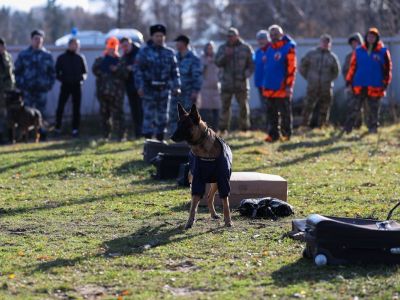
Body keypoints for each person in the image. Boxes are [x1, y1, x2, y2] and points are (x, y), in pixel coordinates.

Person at [135, 24, 181, 141]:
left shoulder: (170, 53)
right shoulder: (144, 52)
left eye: (161, 36)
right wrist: (140, 87)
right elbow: (138, 70)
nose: (159, 38)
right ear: (152, 37)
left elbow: (175, 71)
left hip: (164, 90)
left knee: (163, 118)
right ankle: (148, 143)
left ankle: (160, 142)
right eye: (157, 36)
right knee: (148, 117)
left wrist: (177, 86)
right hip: (149, 90)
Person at [344, 27, 392, 134]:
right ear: (366, 37)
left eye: (373, 37)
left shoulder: (383, 52)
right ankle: (348, 129)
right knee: (354, 108)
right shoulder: (358, 51)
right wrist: (349, 81)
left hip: (375, 86)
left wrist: (386, 83)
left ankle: (373, 128)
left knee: (373, 110)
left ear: (377, 38)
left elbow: (388, 69)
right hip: (359, 85)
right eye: (369, 36)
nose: (371, 38)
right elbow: (352, 67)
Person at [14, 29, 55, 139]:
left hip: (41, 90)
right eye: (36, 39)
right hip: (27, 91)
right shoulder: (23, 55)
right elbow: (16, 72)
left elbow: (52, 73)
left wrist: (48, 85)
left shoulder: (47, 55)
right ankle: (26, 136)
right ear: (31, 40)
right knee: (26, 114)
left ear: (43, 40)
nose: (38, 41)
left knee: (42, 114)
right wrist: (22, 84)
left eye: (40, 39)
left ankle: (42, 135)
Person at [215, 27, 254, 133]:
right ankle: (223, 129)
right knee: (225, 107)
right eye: (228, 36)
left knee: (243, 107)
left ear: (237, 36)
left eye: (232, 36)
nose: (230, 38)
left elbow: (252, 63)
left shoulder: (246, 48)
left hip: (241, 83)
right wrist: (225, 55)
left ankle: (244, 129)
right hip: (226, 83)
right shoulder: (222, 48)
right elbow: (217, 62)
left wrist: (248, 73)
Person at [263, 25, 296, 142]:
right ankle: (273, 135)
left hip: (282, 88)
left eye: (276, 34)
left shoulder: (289, 48)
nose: (273, 37)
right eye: (271, 35)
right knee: (271, 114)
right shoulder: (268, 48)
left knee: (285, 113)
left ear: (281, 35)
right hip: (269, 88)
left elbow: (291, 69)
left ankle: (286, 135)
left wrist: (289, 86)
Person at [300, 34, 340, 128]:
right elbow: (302, 66)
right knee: (308, 106)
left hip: (326, 87)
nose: (325, 44)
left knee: (325, 107)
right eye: (324, 42)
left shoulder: (332, 57)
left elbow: (336, 72)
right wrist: (309, 78)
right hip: (312, 85)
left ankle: (321, 126)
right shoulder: (311, 54)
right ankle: (304, 126)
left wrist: (328, 80)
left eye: (327, 42)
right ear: (320, 42)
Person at [92, 37, 126, 141]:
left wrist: (117, 69)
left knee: (118, 115)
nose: (112, 49)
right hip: (103, 93)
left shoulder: (121, 61)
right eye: (110, 47)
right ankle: (105, 136)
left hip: (117, 94)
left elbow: (126, 74)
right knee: (104, 115)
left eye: (114, 47)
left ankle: (120, 136)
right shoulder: (100, 60)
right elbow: (95, 70)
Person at [168, 34, 202, 134]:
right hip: (176, 92)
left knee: (188, 116)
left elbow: (197, 76)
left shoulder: (193, 58)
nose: (177, 45)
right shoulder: (174, 57)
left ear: (184, 44)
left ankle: (188, 136)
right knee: (174, 114)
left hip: (188, 93)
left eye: (178, 43)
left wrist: (195, 91)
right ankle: (174, 135)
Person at [54, 38, 88, 138]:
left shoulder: (80, 58)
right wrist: (63, 79)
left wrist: (81, 78)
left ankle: (75, 129)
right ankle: (57, 128)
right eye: (73, 44)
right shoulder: (62, 58)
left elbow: (85, 72)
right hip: (65, 85)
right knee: (60, 107)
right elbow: (56, 72)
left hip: (77, 86)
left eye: (77, 45)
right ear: (69, 45)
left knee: (76, 109)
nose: (75, 46)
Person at [120, 37, 143, 138]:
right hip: (130, 87)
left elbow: (143, 66)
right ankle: (137, 133)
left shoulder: (140, 53)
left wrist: (132, 68)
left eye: (126, 45)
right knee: (134, 111)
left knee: (141, 110)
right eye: (123, 46)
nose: (125, 48)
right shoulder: (124, 56)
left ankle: (145, 132)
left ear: (130, 44)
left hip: (140, 87)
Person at [343, 32, 364, 128]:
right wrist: (348, 84)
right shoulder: (349, 57)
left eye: (356, 42)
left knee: (365, 107)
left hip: (364, 85)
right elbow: (345, 71)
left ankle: (363, 125)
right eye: (353, 43)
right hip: (352, 85)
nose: (354, 45)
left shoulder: (365, 55)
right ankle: (352, 126)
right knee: (352, 106)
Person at [198, 41, 221, 130]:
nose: (209, 50)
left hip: (216, 87)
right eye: (208, 48)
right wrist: (206, 64)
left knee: (216, 110)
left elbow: (221, 70)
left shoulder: (217, 58)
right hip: (205, 88)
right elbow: (200, 72)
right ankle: (204, 129)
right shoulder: (201, 58)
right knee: (204, 110)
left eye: (211, 48)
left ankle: (216, 129)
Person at [0, 37, 15, 143]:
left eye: (2, 46)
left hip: (8, 91)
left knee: (9, 114)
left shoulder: (8, 57)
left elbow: (11, 72)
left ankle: (10, 137)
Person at [253, 30, 270, 115]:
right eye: (259, 39)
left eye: (263, 38)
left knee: (271, 105)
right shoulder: (257, 52)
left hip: (270, 83)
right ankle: (266, 124)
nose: (261, 41)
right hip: (260, 83)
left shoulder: (272, 50)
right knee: (263, 105)